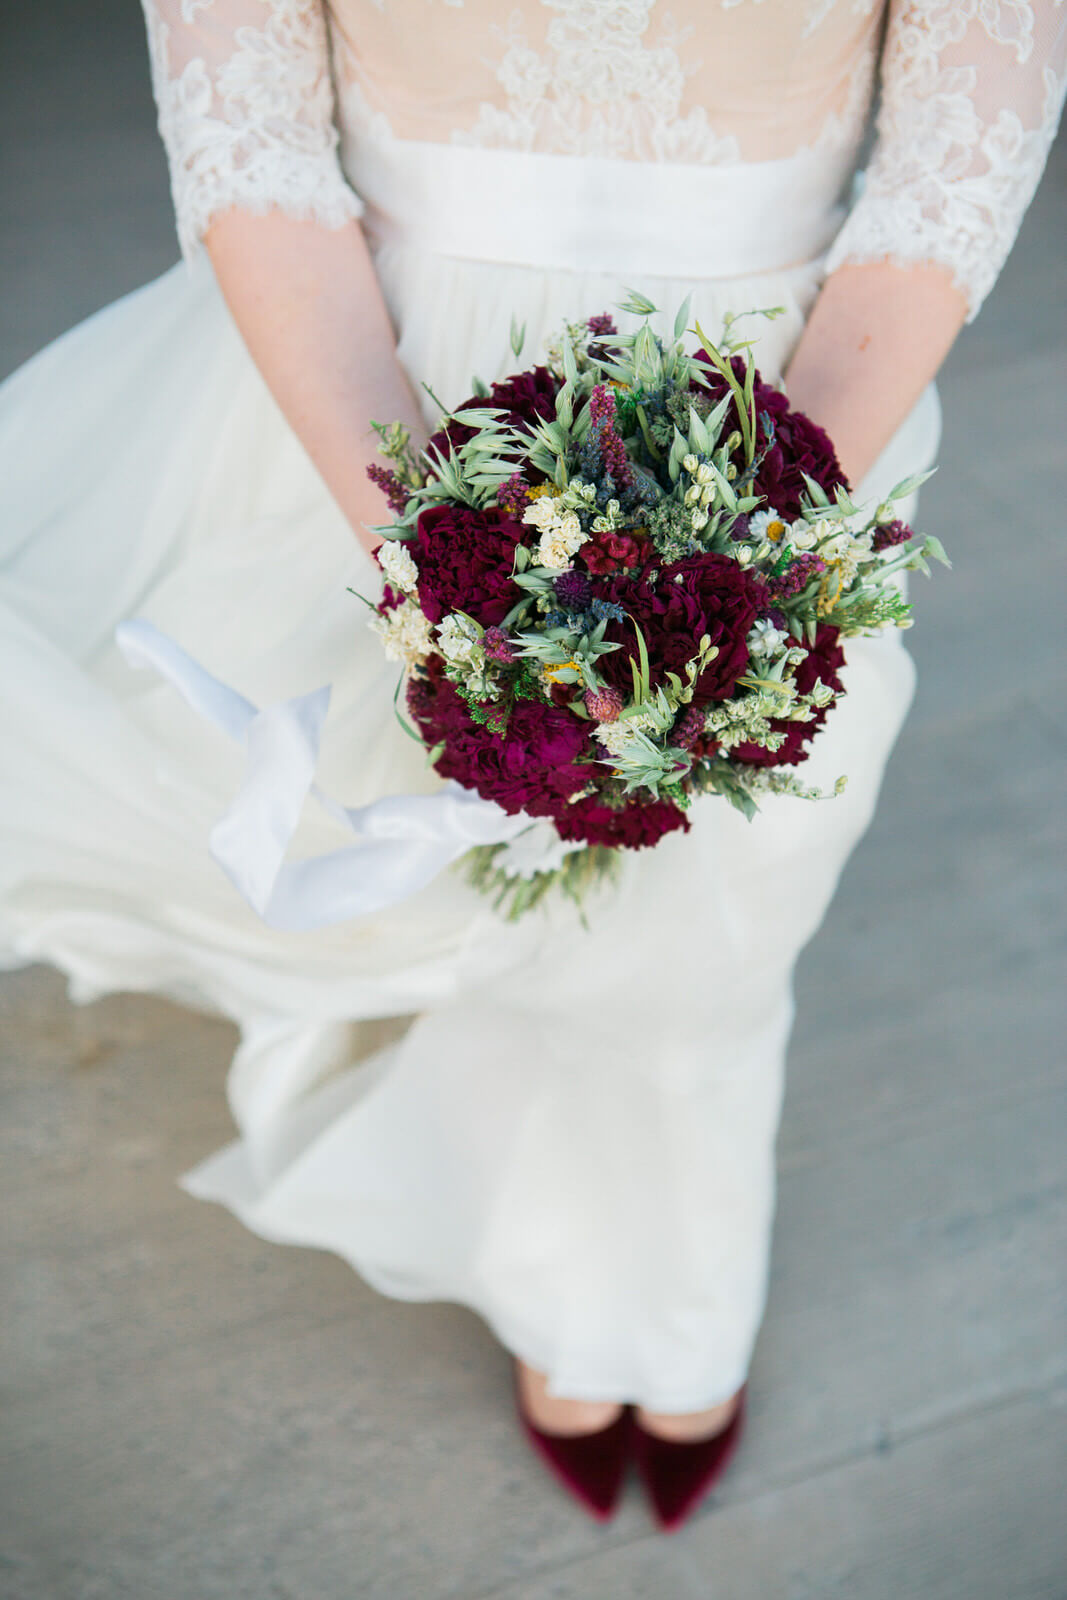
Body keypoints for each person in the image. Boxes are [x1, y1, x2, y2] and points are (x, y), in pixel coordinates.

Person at [1, 0, 1062, 1532]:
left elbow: (957, 157)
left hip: (784, 403)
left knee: (715, 925)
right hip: (373, 396)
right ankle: (558, 1281)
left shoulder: (782, 466)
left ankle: (679, 1311)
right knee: (476, 901)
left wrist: (756, 554)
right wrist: (435, 567)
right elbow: (252, 139)